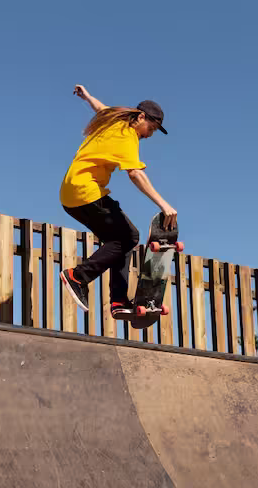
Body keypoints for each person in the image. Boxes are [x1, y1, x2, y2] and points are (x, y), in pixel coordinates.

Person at [59, 84, 177, 318]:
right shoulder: (127, 136)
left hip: (70, 194)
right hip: (86, 192)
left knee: (121, 239)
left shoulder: (113, 120)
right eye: (150, 128)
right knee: (129, 237)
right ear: (140, 117)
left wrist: (87, 96)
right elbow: (135, 174)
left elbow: (100, 108)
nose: (149, 135)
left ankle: (119, 301)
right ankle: (77, 277)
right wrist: (164, 205)